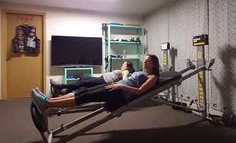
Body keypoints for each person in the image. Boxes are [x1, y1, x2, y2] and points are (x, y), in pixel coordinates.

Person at [32, 54, 160, 113]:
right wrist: (119, 84)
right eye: (145, 60)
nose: (144, 62)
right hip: (116, 87)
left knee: (85, 97)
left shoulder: (152, 77)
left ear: (153, 64)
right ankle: (49, 100)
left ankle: (47, 104)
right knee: (83, 91)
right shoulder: (141, 72)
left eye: (147, 61)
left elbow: (139, 91)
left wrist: (121, 85)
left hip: (119, 92)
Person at [50, 61, 135, 96]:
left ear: (127, 66)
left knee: (83, 82)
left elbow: (124, 80)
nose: (122, 65)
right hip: (101, 79)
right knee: (83, 81)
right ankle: (64, 91)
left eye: (124, 64)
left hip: (104, 81)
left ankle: (60, 86)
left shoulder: (126, 71)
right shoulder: (122, 70)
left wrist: (117, 85)